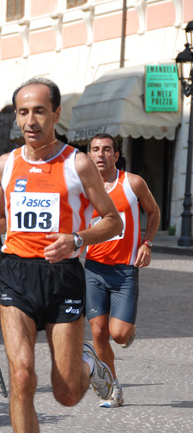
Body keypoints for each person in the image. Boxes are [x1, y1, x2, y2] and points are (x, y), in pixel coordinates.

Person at [0, 77, 122, 433]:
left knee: (66, 393)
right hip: (15, 274)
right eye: (22, 111)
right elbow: (1, 215)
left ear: (55, 114)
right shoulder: (5, 164)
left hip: (62, 275)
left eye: (38, 111)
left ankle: (88, 362)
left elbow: (114, 222)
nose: (30, 120)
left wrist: (76, 238)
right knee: (21, 375)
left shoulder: (79, 164)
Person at [85, 133, 160, 408]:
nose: (101, 154)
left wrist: (147, 244)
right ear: (89, 155)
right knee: (98, 333)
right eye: (95, 150)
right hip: (93, 270)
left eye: (106, 150)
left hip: (125, 272)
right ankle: (114, 389)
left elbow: (153, 212)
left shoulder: (133, 183)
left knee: (119, 334)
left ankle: (128, 331)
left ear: (116, 155)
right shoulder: (83, 187)